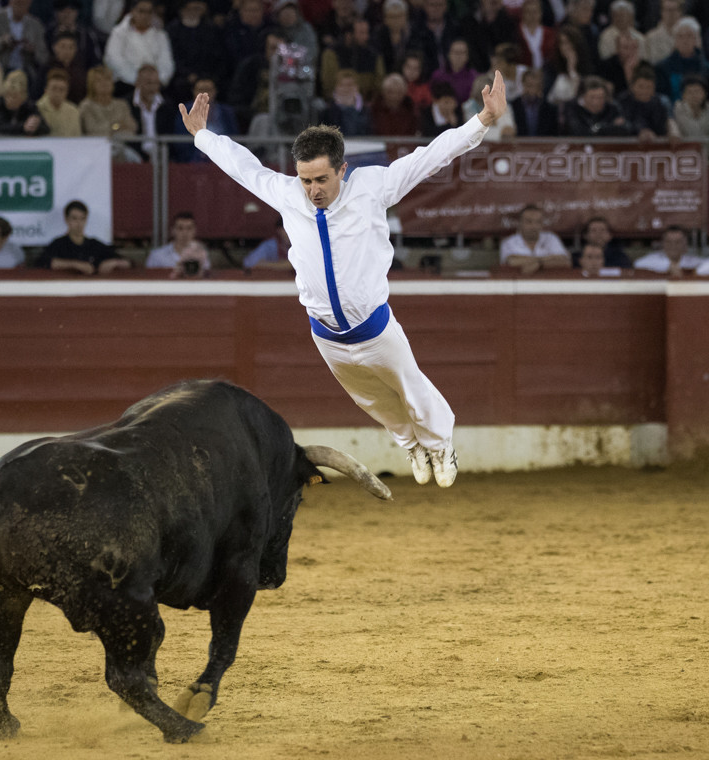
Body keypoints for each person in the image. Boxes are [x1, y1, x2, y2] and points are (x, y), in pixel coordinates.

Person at [178, 69, 512, 488]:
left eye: (321, 179)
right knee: (370, 400)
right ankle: (411, 444)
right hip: (327, 335)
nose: (312, 190)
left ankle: (440, 444)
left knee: (412, 389)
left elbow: (431, 156)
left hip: (375, 327)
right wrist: (203, 136)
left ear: (342, 170)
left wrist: (482, 120)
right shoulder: (287, 193)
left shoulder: (373, 187)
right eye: (305, 180)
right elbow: (243, 167)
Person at [36, 199, 130, 274]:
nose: (79, 223)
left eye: (82, 219)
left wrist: (114, 263)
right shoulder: (59, 244)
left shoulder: (94, 245)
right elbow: (42, 262)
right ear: (67, 219)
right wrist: (75, 265)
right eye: (74, 218)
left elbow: (128, 261)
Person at [104, 0, 174, 92]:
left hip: (156, 85)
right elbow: (114, 60)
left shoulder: (160, 35)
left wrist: (157, 80)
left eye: (149, 12)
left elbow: (166, 62)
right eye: (141, 11)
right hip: (127, 84)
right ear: (132, 11)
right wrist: (137, 80)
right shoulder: (118, 33)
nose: (145, 16)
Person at [0, 0, 48, 77]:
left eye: (24, 3)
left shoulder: (36, 25)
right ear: (10, 1)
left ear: (29, 3)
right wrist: (1, 42)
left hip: (25, 73)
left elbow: (44, 57)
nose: (20, 5)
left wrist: (32, 51)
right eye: (17, 2)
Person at [500, 204, 571, 274]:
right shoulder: (509, 242)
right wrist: (550, 259)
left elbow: (565, 262)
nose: (534, 226)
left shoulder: (551, 238)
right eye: (529, 222)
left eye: (538, 222)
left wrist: (539, 264)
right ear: (520, 223)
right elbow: (511, 262)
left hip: (550, 282)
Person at [656, 17, 709, 102]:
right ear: (674, 40)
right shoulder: (662, 67)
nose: (685, 40)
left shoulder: (707, 68)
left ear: (696, 39)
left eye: (689, 36)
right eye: (680, 36)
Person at [617, 64, 678, 140]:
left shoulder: (660, 103)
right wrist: (642, 131)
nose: (644, 91)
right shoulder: (622, 101)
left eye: (649, 87)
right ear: (632, 87)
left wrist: (673, 131)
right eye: (640, 86)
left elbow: (667, 122)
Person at [129, 62, 176, 160]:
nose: (152, 88)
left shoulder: (167, 106)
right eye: (148, 83)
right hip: (135, 155)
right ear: (138, 83)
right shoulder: (127, 104)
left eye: (156, 83)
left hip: (161, 155)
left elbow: (170, 135)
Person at [146, 211, 212, 277]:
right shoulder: (157, 256)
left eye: (189, 228)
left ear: (194, 231)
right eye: (180, 228)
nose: (185, 233)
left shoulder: (201, 255)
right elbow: (148, 280)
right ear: (173, 231)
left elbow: (205, 280)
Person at [562, 75, 634, 136]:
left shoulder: (612, 108)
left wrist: (596, 129)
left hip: (607, 149)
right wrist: (607, 127)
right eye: (592, 97)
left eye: (600, 97)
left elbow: (626, 128)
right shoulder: (572, 107)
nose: (596, 101)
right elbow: (578, 131)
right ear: (583, 96)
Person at [0, 69, 49, 135]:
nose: (9, 99)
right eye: (7, 95)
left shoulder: (29, 107)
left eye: (14, 96)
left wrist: (36, 126)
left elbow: (46, 129)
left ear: (23, 97)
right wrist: (23, 127)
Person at [634, 225, 703, 276]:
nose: (673, 245)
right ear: (663, 243)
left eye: (678, 242)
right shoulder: (652, 260)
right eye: (668, 242)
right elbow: (638, 264)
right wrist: (667, 267)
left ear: (685, 245)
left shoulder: (693, 261)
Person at [321, 69, 371, 135]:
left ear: (357, 87)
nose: (346, 89)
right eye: (341, 85)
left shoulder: (367, 111)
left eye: (350, 85)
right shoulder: (326, 111)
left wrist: (349, 108)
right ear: (335, 87)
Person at [513, 68, 560, 135]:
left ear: (541, 87)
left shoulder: (550, 110)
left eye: (537, 86)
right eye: (529, 85)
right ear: (523, 84)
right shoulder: (513, 107)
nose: (533, 90)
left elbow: (553, 135)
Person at [36, 67, 81, 135]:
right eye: (54, 88)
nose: (57, 93)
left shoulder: (73, 111)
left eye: (61, 90)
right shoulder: (37, 109)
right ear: (46, 90)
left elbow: (77, 137)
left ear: (67, 92)